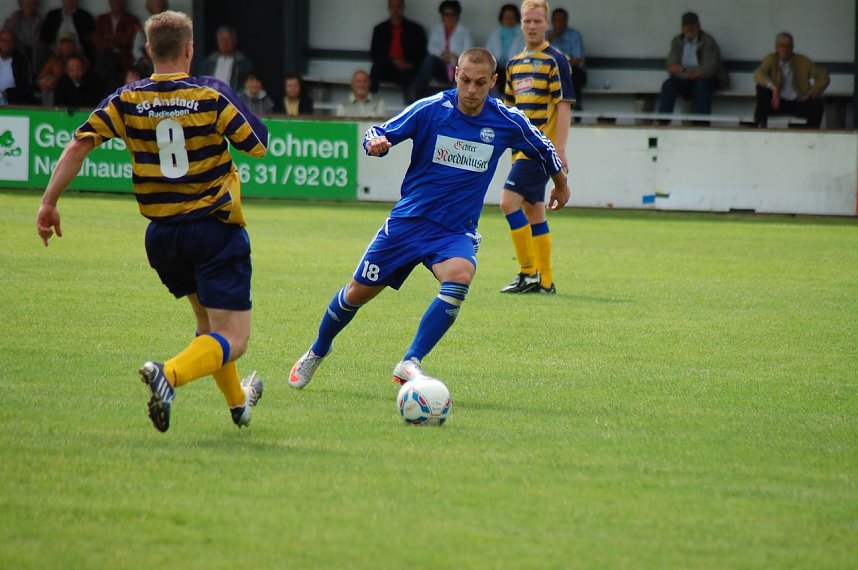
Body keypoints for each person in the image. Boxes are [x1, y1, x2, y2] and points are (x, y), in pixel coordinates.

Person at [35, 10, 269, 433]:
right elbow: (257, 145)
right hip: (213, 230)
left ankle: (239, 404)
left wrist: (49, 202)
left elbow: (77, 146)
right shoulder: (211, 94)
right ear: (190, 49)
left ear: (148, 51)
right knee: (234, 339)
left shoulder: (126, 99)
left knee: (207, 326)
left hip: (162, 238)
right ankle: (170, 375)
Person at [287, 47, 569, 390]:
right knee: (355, 293)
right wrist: (376, 142)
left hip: (454, 232)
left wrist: (561, 184)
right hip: (408, 224)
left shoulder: (507, 120)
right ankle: (317, 351)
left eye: (480, 83)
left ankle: (410, 361)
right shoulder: (431, 109)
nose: (471, 90)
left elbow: (544, 146)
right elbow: (378, 131)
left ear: (494, 82)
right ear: (456, 75)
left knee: (461, 273)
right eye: (465, 80)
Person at [499, 0, 574, 295]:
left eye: (537, 21)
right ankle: (545, 281)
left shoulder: (556, 60)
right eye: (527, 21)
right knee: (534, 212)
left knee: (508, 202)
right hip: (520, 150)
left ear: (546, 25)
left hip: (540, 148)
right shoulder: (514, 64)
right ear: (521, 24)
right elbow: (508, 111)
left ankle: (528, 273)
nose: (531, 26)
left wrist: (561, 148)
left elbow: (563, 105)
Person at [656, 11, 727, 117]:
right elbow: (671, 66)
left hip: (708, 79)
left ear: (698, 26)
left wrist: (685, 71)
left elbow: (709, 68)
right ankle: (662, 121)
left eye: (692, 25)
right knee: (668, 85)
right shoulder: (677, 41)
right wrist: (687, 73)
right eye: (686, 25)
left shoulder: (708, 41)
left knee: (701, 86)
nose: (689, 28)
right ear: (682, 28)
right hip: (685, 78)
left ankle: (701, 122)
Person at [753, 32, 829, 129]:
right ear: (776, 47)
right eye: (782, 46)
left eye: (788, 46)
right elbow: (758, 74)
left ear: (793, 48)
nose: (785, 49)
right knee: (761, 88)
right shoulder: (771, 59)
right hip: (776, 103)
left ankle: (810, 136)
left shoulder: (803, 61)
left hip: (796, 102)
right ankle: (760, 128)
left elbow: (823, 77)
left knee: (817, 105)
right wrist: (773, 88)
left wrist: (810, 92)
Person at [408, 0, 473, 102]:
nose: (449, 17)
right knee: (430, 60)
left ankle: (415, 93)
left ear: (457, 15)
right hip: (441, 66)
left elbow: (469, 52)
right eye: (446, 14)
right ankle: (415, 91)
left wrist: (453, 56)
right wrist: (443, 55)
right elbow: (431, 48)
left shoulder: (465, 31)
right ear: (442, 16)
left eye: (452, 14)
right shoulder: (436, 29)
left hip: (457, 67)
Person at [369, 0, 427, 98]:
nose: (395, 10)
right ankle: (370, 99)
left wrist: (409, 64)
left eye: (398, 7)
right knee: (374, 69)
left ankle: (409, 103)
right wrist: (392, 61)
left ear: (403, 8)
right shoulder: (379, 29)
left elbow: (422, 54)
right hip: (386, 66)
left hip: (407, 69)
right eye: (392, 7)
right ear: (388, 8)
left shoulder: (416, 29)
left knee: (410, 76)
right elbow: (374, 53)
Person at [91, 0, 141, 91]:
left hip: (123, 57)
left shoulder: (131, 19)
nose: (117, 4)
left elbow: (128, 40)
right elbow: (96, 40)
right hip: (104, 57)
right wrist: (117, 39)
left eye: (120, 2)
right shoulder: (102, 19)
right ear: (110, 3)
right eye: (114, 2)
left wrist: (109, 37)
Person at [545, 7, 586, 109]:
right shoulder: (546, 36)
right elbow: (540, 58)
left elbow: (577, 59)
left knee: (574, 74)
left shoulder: (574, 35)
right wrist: (547, 42)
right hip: (552, 71)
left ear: (566, 22)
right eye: (557, 20)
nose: (559, 24)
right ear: (551, 21)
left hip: (572, 70)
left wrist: (563, 64)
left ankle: (576, 106)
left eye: (562, 21)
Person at [484, 3, 523, 97]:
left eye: (511, 17)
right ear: (501, 18)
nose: (509, 20)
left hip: (515, 66)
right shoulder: (495, 34)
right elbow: (487, 53)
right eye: (506, 17)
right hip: (497, 66)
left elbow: (525, 53)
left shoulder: (522, 34)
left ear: (516, 18)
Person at [199, 25, 253, 92]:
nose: (225, 43)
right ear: (218, 42)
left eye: (228, 39)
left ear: (234, 41)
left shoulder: (242, 63)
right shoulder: (209, 62)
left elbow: (247, 86)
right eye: (222, 39)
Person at [36, 36, 81, 105]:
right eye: (64, 44)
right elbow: (42, 76)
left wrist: (56, 81)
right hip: (57, 89)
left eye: (69, 43)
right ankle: (49, 112)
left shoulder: (81, 60)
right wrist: (44, 82)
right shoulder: (53, 61)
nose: (67, 46)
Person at [3, 0, 45, 71]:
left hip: (33, 49)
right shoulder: (12, 19)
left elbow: (41, 40)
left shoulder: (41, 21)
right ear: (21, 4)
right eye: (26, 3)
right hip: (15, 46)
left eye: (32, 3)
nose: (29, 6)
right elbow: (4, 36)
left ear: (37, 5)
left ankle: (34, 75)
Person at [131, 0, 168, 75]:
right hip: (147, 62)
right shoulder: (143, 27)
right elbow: (136, 49)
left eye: (161, 5)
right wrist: (142, 59)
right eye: (157, 6)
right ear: (150, 8)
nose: (159, 8)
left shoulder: (170, 26)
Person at [0, 29, 36, 105]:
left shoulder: (22, 61)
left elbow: (26, 87)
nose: (7, 43)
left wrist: (6, 93)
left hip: (13, 101)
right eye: (3, 40)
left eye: (10, 40)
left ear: (15, 43)